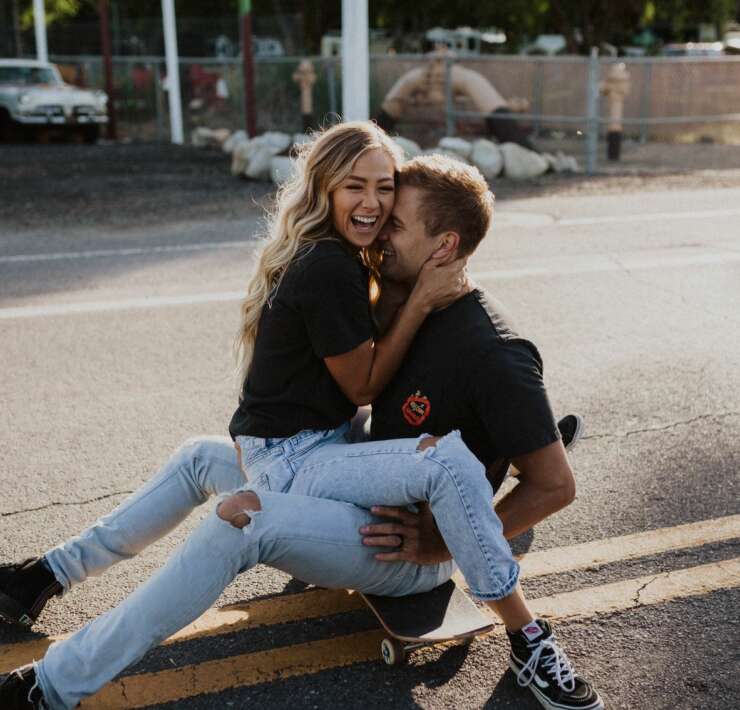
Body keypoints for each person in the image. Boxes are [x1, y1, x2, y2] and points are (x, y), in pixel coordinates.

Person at [1, 130, 602, 710]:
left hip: (407, 549)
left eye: (393, 220)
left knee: (240, 523)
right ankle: (42, 577)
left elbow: (556, 485)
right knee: (199, 458)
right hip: (363, 492)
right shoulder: (400, 296)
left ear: (442, 247)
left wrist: (441, 542)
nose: (379, 226)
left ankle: (51, 686)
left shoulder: (493, 352)